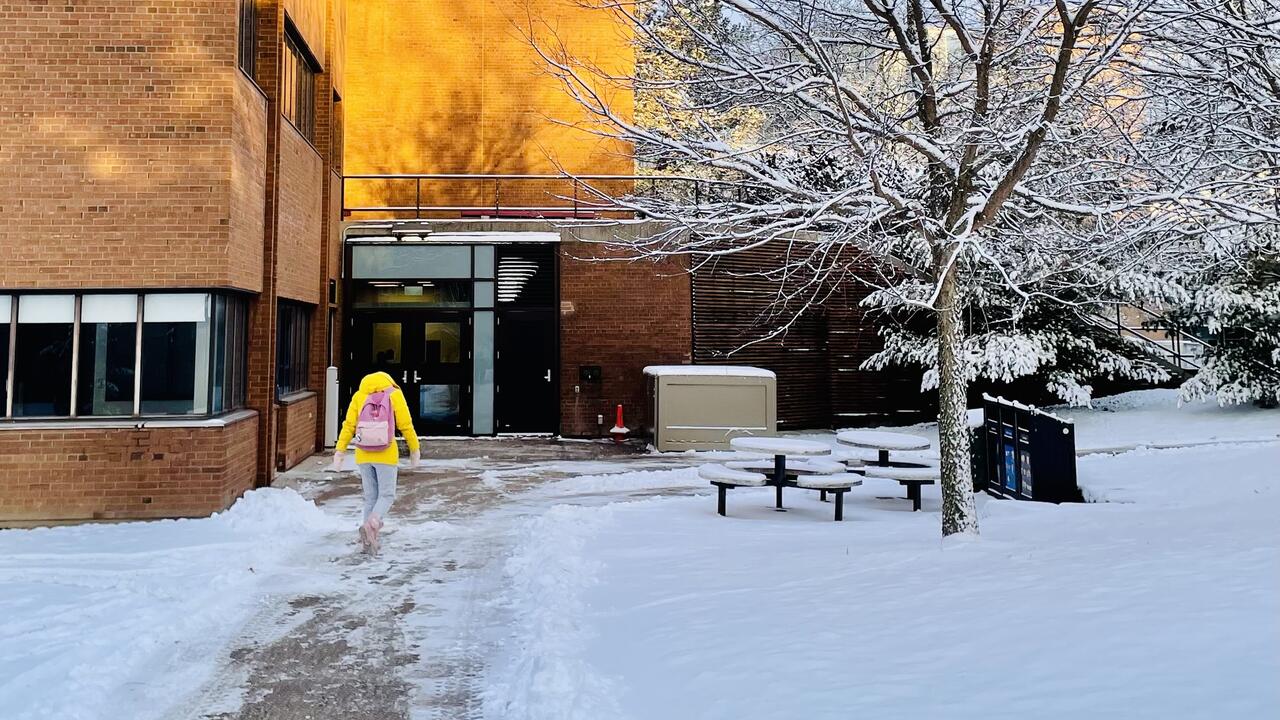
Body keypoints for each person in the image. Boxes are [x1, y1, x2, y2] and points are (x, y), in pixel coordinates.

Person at [333, 371, 420, 553]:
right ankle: (372, 525)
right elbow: (406, 424)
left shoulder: (359, 395)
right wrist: (414, 448)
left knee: (371, 496)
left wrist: (340, 450)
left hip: (363, 453)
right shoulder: (394, 394)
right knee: (387, 495)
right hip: (386, 453)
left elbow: (348, 425)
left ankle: (366, 536)